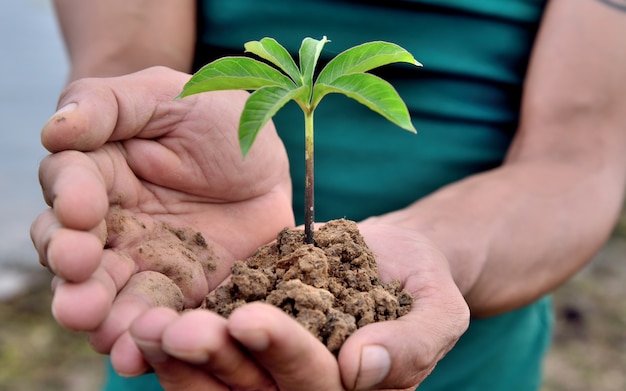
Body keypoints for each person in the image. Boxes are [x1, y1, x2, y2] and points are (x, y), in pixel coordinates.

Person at [31, 0, 626, 390]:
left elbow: (575, 155)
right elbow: (128, 73)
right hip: (186, 305)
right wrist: (132, 145)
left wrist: (435, 248)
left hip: (470, 335)